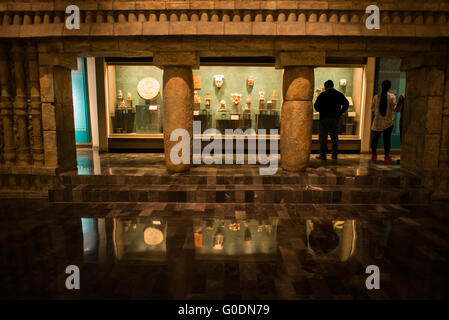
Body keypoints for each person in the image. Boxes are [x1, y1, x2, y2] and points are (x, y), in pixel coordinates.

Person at [314, 80, 350, 160]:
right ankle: (334, 154)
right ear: (333, 85)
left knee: (323, 137)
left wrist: (321, 111)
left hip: (324, 118)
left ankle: (323, 154)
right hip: (335, 118)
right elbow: (346, 104)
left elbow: (316, 105)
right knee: (334, 136)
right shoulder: (339, 94)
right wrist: (340, 112)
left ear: (325, 86)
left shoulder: (322, 95)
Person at [371, 80, 396, 164]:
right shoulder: (392, 97)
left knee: (375, 139)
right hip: (388, 122)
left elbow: (373, 109)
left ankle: (374, 155)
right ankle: (386, 157)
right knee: (387, 140)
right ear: (389, 87)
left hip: (377, 121)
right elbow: (393, 108)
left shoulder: (376, 97)